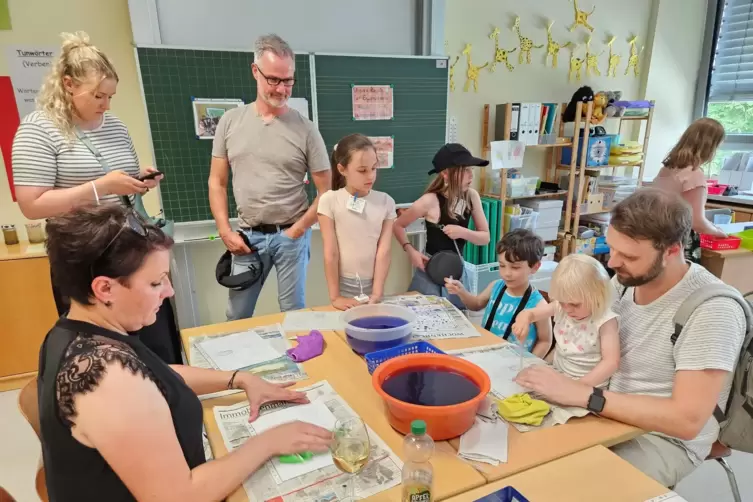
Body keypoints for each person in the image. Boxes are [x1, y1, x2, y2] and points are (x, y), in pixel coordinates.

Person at [39, 204, 332, 501]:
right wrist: (269, 442)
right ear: (104, 289)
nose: (169, 291)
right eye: (156, 282)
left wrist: (239, 378)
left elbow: (155, 372)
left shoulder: (73, 330)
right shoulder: (109, 379)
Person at [514, 188, 747, 488]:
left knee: (568, 487)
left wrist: (582, 394)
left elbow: (686, 420)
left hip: (661, 438)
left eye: (628, 255)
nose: (612, 262)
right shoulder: (626, 281)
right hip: (603, 412)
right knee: (520, 456)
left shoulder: (712, 310)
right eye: (612, 248)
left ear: (672, 249)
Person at [11, 31, 180, 365]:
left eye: (110, 96)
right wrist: (101, 187)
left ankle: (169, 404)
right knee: (106, 351)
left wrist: (137, 181)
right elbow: (31, 204)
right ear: (69, 84)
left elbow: (120, 180)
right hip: (84, 256)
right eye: (98, 96)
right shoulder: (38, 129)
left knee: (157, 342)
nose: (106, 104)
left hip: (130, 247)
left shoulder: (114, 126)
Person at [209, 34, 331, 321]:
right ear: (255, 71)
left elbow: (327, 191)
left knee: (293, 314)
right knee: (237, 314)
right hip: (246, 238)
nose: (281, 89)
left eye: (288, 81)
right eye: (273, 80)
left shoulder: (306, 129)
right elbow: (217, 182)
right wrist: (225, 231)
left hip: (291, 236)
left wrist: (297, 231)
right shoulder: (229, 122)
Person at [393, 143, 490, 308]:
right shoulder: (430, 200)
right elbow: (397, 226)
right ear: (446, 173)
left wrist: (463, 232)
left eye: (470, 170)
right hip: (430, 271)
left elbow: (485, 238)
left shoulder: (471, 196)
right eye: (464, 170)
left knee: (457, 319)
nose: (470, 175)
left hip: (456, 272)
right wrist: (411, 251)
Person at [512, 254, 619, 388]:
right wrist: (523, 319)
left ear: (598, 296)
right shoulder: (561, 307)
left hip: (589, 386)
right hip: (559, 377)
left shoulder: (605, 321)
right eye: (562, 302)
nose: (567, 309)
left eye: (575, 304)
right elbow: (530, 314)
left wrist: (577, 387)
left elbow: (611, 362)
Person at [318, 134, 396, 310]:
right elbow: (330, 252)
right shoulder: (330, 200)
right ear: (342, 169)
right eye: (362, 170)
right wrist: (335, 297)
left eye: (374, 168)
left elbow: (384, 251)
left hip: (374, 285)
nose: (370, 176)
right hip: (343, 286)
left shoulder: (386, 202)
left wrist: (377, 292)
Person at [446, 229, 552, 358]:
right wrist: (461, 291)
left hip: (514, 363)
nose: (507, 273)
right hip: (487, 352)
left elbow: (545, 341)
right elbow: (476, 304)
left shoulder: (539, 305)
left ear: (535, 267)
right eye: (502, 266)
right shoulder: (496, 285)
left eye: (515, 267)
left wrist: (530, 364)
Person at [652, 118, 727, 262]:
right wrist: (718, 232)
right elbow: (696, 221)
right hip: (677, 240)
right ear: (710, 147)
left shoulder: (666, 170)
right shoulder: (694, 175)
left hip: (656, 235)